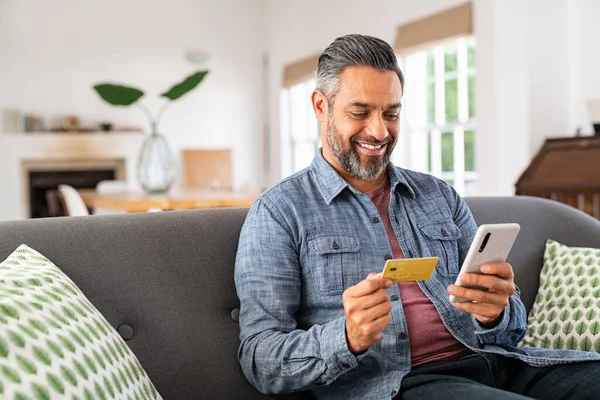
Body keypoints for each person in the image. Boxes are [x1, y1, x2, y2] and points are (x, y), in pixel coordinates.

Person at [234, 34, 600, 400]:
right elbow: (260, 360)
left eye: (391, 113)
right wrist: (345, 338)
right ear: (320, 105)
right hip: (399, 384)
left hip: (499, 363)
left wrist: (496, 312)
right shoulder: (279, 212)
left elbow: (511, 329)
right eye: (360, 112)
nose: (379, 131)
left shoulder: (438, 195)